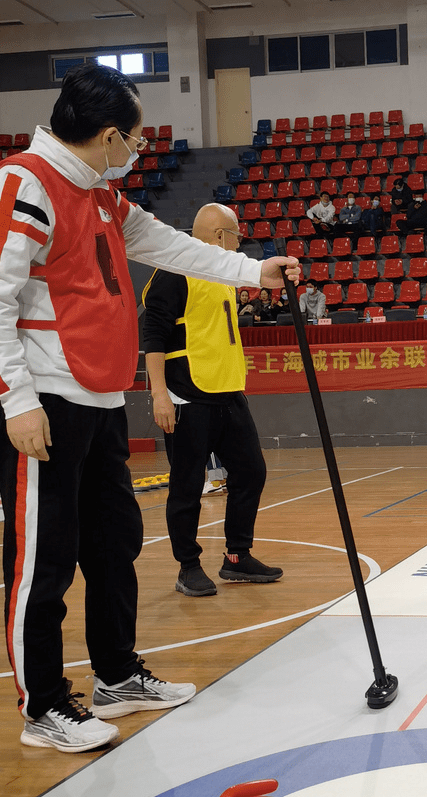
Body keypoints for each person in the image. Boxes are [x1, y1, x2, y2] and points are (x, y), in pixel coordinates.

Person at [0, 63, 300, 753]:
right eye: (135, 140)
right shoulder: (23, 185)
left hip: (98, 398)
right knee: (43, 562)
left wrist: (250, 269)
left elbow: (168, 245)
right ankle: (45, 706)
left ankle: (116, 675)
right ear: (109, 135)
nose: (136, 152)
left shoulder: (101, 195)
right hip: (45, 405)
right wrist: (16, 401)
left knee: (114, 545)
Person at [143, 203, 283, 597]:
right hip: (186, 395)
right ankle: (188, 565)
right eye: (237, 235)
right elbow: (153, 335)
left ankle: (237, 556)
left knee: (251, 472)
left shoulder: (220, 273)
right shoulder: (174, 270)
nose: (240, 243)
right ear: (221, 235)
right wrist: (159, 395)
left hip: (227, 391)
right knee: (187, 484)